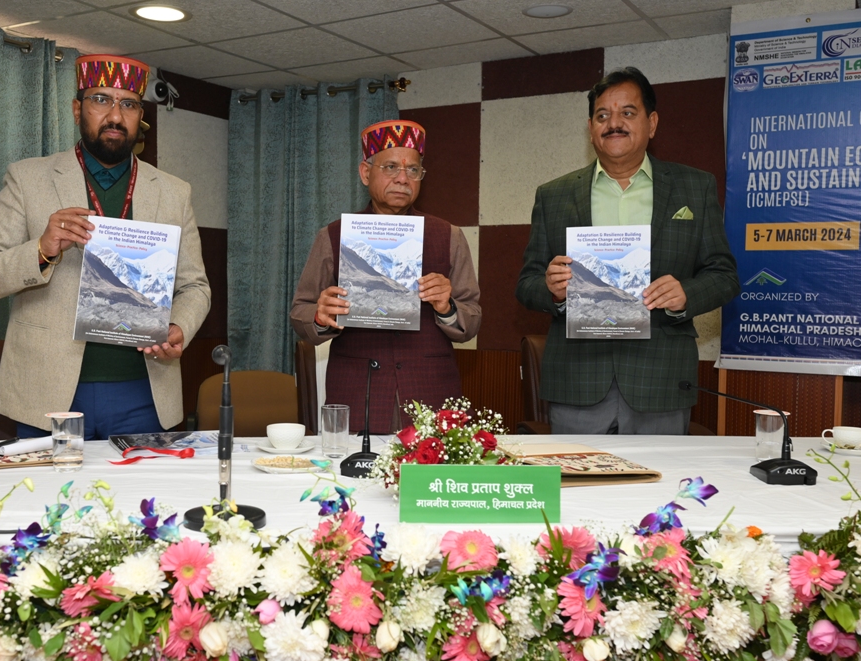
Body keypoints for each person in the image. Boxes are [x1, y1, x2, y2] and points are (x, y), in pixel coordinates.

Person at [0, 54, 210, 439]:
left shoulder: (173, 192)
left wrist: (179, 325)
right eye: (101, 100)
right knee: (49, 484)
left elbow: (195, 286)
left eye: (128, 104)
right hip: (47, 392)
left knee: (142, 483)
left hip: (143, 393)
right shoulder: (28, 179)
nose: (115, 115)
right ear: (77, 109)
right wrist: (42, 248)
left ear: (140, 115)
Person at [515, 67, 739, 435]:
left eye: (627, 113)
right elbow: (527, 283)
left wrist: (686, 294)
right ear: (591, 128)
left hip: (660, 379)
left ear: (652, 123)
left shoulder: (694, 187)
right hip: (578, 380)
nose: (614, 123)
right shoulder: (553, 195)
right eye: (602, 115)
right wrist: (551, 290)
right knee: (577, 475)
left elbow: (724, 275)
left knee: (658, 475)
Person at [290, 120, 481, 434]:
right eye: (391, 167)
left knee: (431, 467)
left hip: (430, 390)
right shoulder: (334, 236)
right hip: (356, 390)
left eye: (413, 170)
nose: (403, 179)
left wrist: (447, 308)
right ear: (366, 173)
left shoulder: (448, 236)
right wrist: (320, 316)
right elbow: (300, 311)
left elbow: (471, 321)